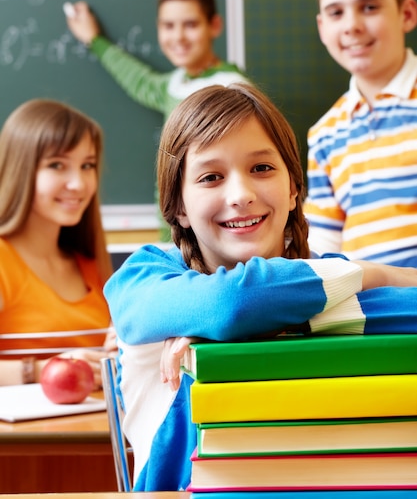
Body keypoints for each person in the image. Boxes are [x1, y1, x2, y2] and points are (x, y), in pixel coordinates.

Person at [104, 83, 417, 492]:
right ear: (179, 205)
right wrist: (377, 274)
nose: (241, 195)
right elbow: (233, 303)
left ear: (292, 188)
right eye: (211, 177)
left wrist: (233, 329)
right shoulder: (146, 278)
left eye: (262, 169)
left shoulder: (326, 276)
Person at [65, 0, 249, 239]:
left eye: (191, 25)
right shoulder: (176, 85)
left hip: (210, 238)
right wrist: (95, 40)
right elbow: (140, 80)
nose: (178, 37)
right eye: (168, 26)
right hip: (177, 233)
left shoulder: (228, 90)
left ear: (214, 26)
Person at [303, 0, 417, 266]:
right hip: (367, 305)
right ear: (323, 29)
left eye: (369, 7)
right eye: (336, 12)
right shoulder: (325, 133)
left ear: (406, 14)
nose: (351, 25)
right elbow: (325, 236)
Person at [0, 98, 115, 387]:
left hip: (98, 426)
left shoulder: (89, 261)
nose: (78, 184)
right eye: (57, 165)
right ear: (20, 170)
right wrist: (43, 370)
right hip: (24, 432)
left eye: (87, 165)